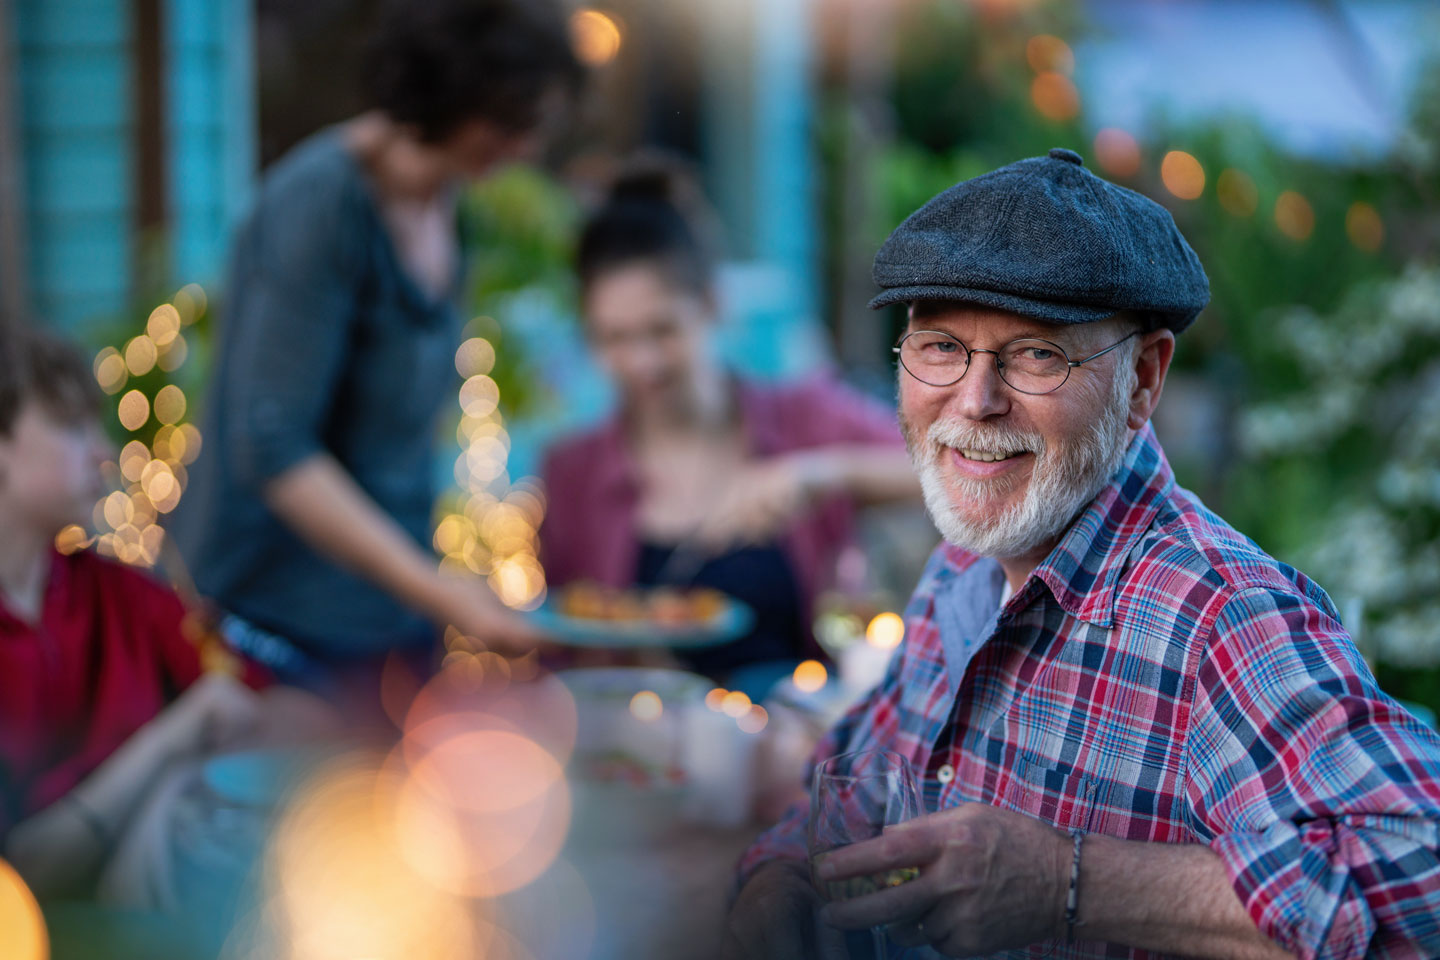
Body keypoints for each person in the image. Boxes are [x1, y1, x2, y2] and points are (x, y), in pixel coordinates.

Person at [724, 148, 1440, 959]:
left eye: (1037, 353)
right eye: (940, 346)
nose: (975, 401)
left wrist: (1069, 884)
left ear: (1143, 379)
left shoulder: (1222, 616)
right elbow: (850, 780)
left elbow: (1423, 888)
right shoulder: (961, 566)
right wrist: (773, 883)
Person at [170, 0, 581, 696]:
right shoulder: (319, 205)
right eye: (513, 122)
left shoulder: (452, 206)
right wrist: (441, 593)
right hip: (276, 622)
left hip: (386, 619)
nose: (525, 150)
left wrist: (438, 591)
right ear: (453, 91)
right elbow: (273, 448)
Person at [539, 161, 921, 680]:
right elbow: (557, 650)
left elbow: (947, 472)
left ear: (712, 305)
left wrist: (825, 475)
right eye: (615, 339)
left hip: (794, 736)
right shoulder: (571, 472)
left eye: (663, 330)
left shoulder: (804, 417)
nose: (642, 363)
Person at [0, 325, 301, 898]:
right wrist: (174, 738)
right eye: (71, 425)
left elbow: (254, 699)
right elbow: (17, 882)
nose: (105, 453)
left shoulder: (120, 595)